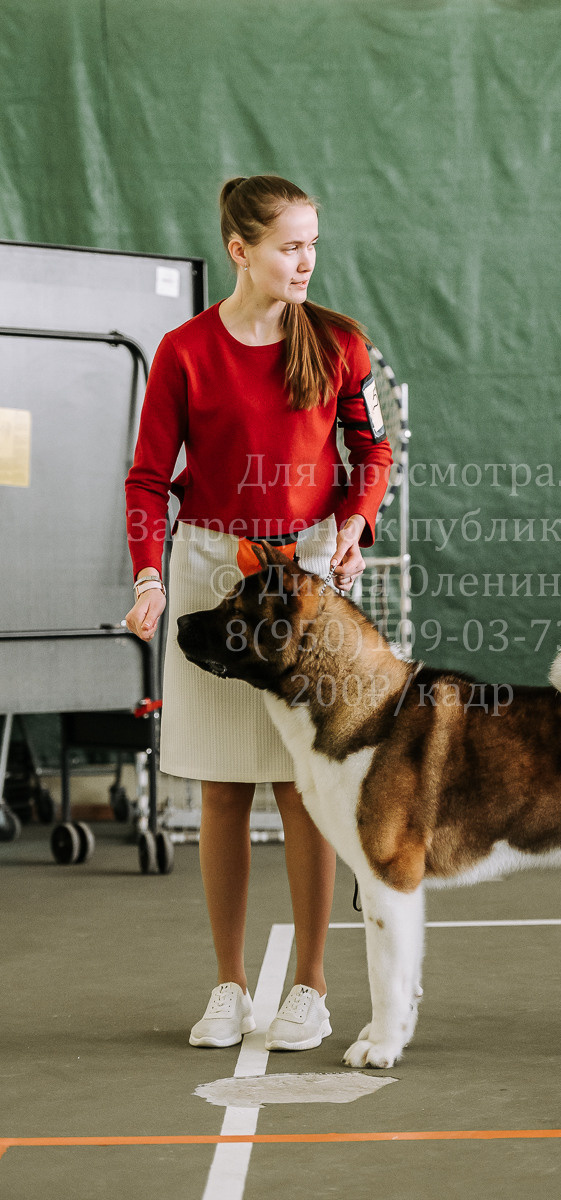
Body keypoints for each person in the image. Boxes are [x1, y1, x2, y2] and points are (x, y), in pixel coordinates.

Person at [124, 174, 392, 1051]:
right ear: (240, 251)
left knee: (304, 787)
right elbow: (147, 478)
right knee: (222, 790)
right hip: (207, 574)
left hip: (305, 577)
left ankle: (310, 988)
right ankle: (229, 986)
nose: (306, 260)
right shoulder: (182, 351)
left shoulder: (341, 342)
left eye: (313, 243)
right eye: (290, 245)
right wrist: (149, 579)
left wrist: (353, 520)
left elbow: (371, 449)